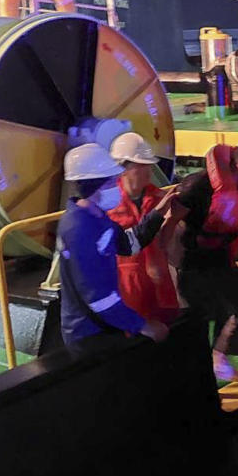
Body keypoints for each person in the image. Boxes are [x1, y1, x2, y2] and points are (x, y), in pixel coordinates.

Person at [56, 142, 175, 352]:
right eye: (112, 180)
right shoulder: (80, 228)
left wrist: (157, 213)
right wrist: (143, 325)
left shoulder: (97, 216)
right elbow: (98, 297)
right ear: (97, 185)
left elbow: (129, 244)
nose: (117, 184)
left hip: (108, 325)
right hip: (88, 335)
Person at [177, 139, 238, 381]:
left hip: (219, 257)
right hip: (191, 261)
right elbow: (172, 225)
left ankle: (217, 357)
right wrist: (171, 267)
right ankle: (197, 373)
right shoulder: (197, 186)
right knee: (200, 316)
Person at [107, 132, 183, 326]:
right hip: (127, 291)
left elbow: (171, 244)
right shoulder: (107, 205)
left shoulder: (159, 199)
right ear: (123, 168)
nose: (148, 170)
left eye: (149, 164)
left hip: (160, 289)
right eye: (141, 165)